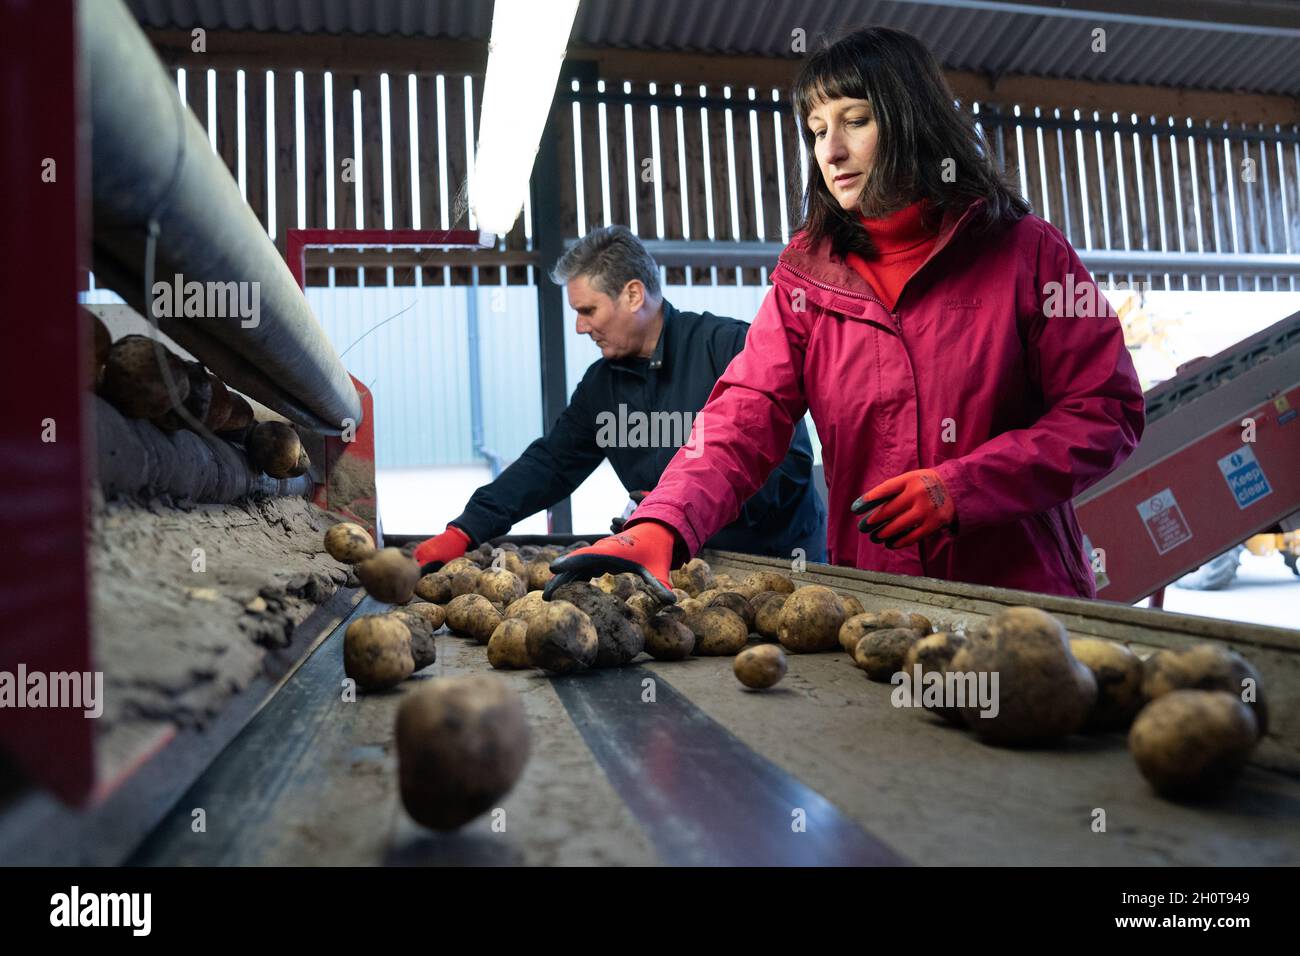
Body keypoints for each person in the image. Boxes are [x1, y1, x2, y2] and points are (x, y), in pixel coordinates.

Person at [549, 26, 1144, 603]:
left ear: (914, 119)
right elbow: (745, 414)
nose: (830, 151)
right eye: (815, 130)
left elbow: (1105, 413)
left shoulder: (1027, 252)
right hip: (878, 598)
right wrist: (664, 523)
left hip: (1020, 598)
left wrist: (963, 488)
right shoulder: (807, 276)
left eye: (855, 121)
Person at [412, 226, 827, 572]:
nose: (579, 326)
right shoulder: (601, 387)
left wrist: (689, 507)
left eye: (588, 310)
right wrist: (467, 528)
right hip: (680, 569)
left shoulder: (729, 349)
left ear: (632, 295)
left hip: (777, 567)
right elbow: (550, 464)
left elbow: (788, 467)